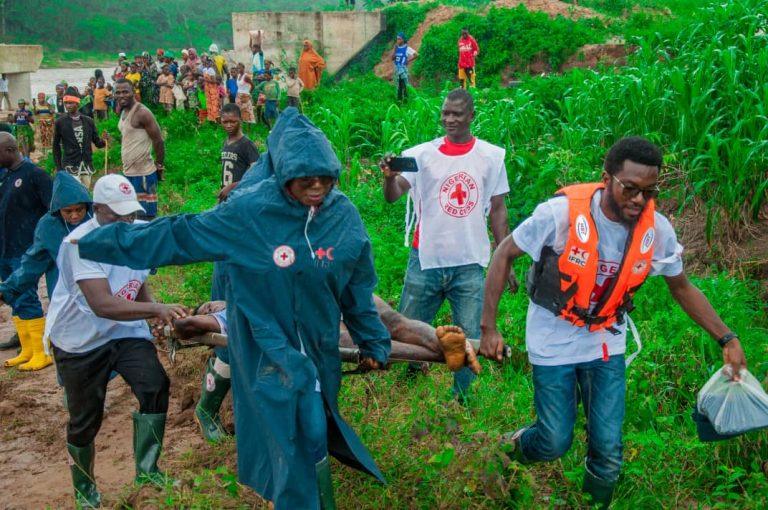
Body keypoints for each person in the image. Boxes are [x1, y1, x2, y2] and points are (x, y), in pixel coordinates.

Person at [76, 109, 391, 509]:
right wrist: (97, 241)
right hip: (265, 344)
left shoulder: (341, 217)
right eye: (305, 179)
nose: (317, 188)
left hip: (318, 341)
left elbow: (357, 290)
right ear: (282, 174)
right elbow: (180, 235)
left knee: (314, 429)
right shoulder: (251, 212)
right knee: (299, 429)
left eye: (326, 178)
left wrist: (375, 342)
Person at [478, 137, 749, 508]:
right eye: (630, 189)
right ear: (607, 178)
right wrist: (488, 328)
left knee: (607, 450)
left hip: (605, 339)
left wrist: (727, 338)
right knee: (554, 441)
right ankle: (505, 450)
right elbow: (504, 253)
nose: (638, 200)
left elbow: (682, 287)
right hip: (552, 335)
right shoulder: (560, 215)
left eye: (649, 192)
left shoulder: (657, 230)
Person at [47, 174, 187, 508]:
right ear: (96, 210)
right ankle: (85, 488)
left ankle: (148, 470)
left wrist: (152, 315)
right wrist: (155, 308)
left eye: (130, 213)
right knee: (85, 418)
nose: (125, 220)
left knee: (154, 385)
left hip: (124, 332)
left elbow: (136, 279)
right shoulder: (80, 244)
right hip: (80, 339)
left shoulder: (135, 231)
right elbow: (102, 304)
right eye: (116, 214)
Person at [380, 88, 512, 400]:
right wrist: (389, 177)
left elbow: (498, 208)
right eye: (445, 113)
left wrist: (504, 257)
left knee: (468, 335)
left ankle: (461, 397)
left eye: (456, 114)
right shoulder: (421, 154)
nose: (449, 119)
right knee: (408, 327)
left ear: (471, 117)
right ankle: (410, 381)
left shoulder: (491, 157)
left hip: (469, 263)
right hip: (425, 258)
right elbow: (393, 195)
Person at [0, 172, 91, 336]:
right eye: (68, 211)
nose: (75, 215)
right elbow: (31, 264)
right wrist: (7, 290)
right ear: (57, 209)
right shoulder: (48, 227)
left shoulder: (97, 221)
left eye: (79, 209)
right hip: (65, 296)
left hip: (99, 294)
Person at [0, 132, 53, 370]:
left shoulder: (35, 175)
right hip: (6, 248)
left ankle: (41, 351)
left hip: (26, 249)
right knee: (13, 297)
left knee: (27, 296)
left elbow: (53, 211)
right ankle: (27, 349)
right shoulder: (6, 176)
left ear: (9, 151)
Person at [115, 79, 165, 220]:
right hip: (129, 171)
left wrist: (159, 165)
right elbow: (129, 137)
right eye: (117, 92)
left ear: (133, 92)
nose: (121, 95)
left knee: (145, 216)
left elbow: (158, 140)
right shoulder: (124, 111)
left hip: (143, 173)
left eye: (125, 91)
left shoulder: (142, 113)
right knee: (131, 214)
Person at [53, 91, 108, 189]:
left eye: (71, 103)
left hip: (86, 164)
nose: (68, 105)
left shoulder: (88, 121)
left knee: (85, 192)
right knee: (75, 192)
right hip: (70, 164)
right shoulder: (60, 122)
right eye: (66, 103)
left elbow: (97, 143)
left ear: (77, 103)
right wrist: (59, 167)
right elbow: (55, 146)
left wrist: (104, 140)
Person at [392, 32, 418, 102]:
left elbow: (416, 55)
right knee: (398, 87)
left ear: (403, 40)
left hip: (403, 70)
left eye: (399, 39)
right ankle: (400, 102)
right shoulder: (397, 48)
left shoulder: (407, 48)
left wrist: (408, 60)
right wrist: (395, 50)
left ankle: (405, 101)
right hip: (397, 70)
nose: (397, 40)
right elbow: (392, 58)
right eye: (397, 39)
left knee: (404, 86)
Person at [202, 57, 220, 122]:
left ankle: (215, 121)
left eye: (209, 62)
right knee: (209, 105)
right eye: (207, 61)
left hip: (212, 89)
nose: (207, 63)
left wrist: (206, 80)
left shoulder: (211, 70)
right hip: (207, 89)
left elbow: (215, 81)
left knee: (214, 105)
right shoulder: (204, 69)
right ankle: (211, 120)